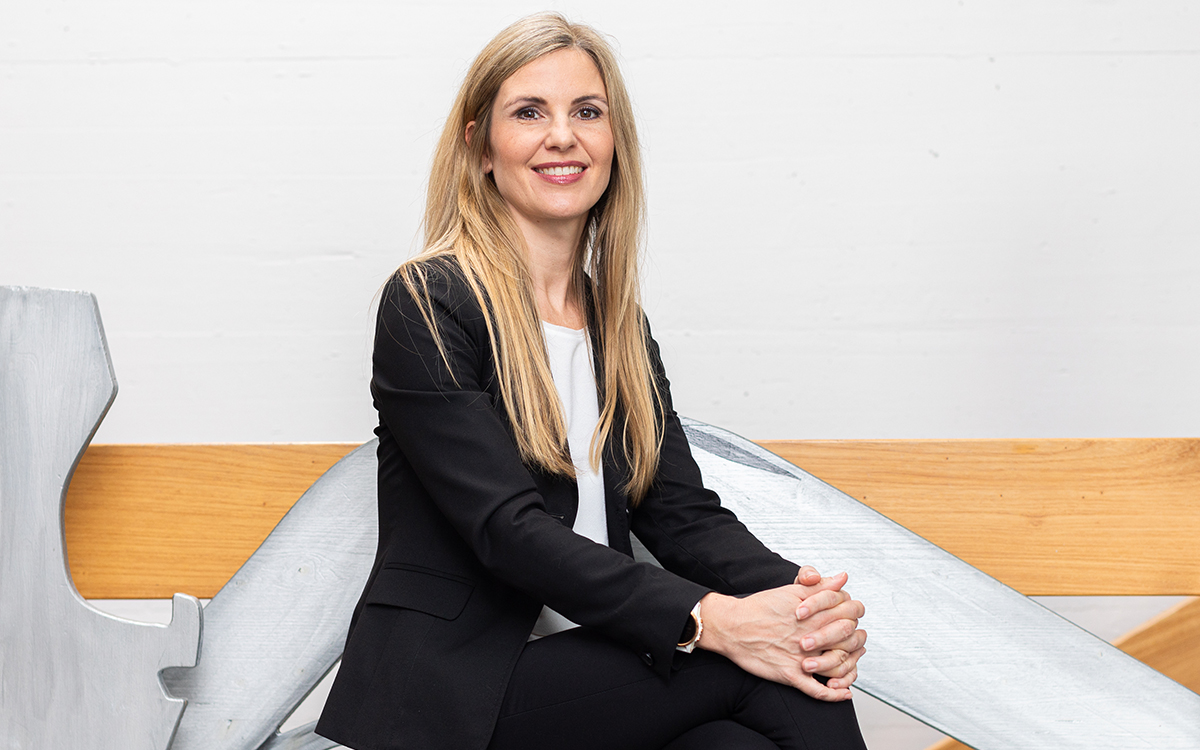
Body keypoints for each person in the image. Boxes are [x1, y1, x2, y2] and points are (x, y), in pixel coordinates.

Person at [316, 12, 868, 750]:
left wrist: (804, 604)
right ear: (480, 147)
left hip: (605, 672)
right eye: (528, 112)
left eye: (586, 111)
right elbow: (507, 531)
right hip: (463, 691)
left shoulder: (617, 324)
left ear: (614, 142)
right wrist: (715, 620)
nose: (562, 136)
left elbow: (681, 515)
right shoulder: (429, 302)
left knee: (747, 733)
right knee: (772, 673)